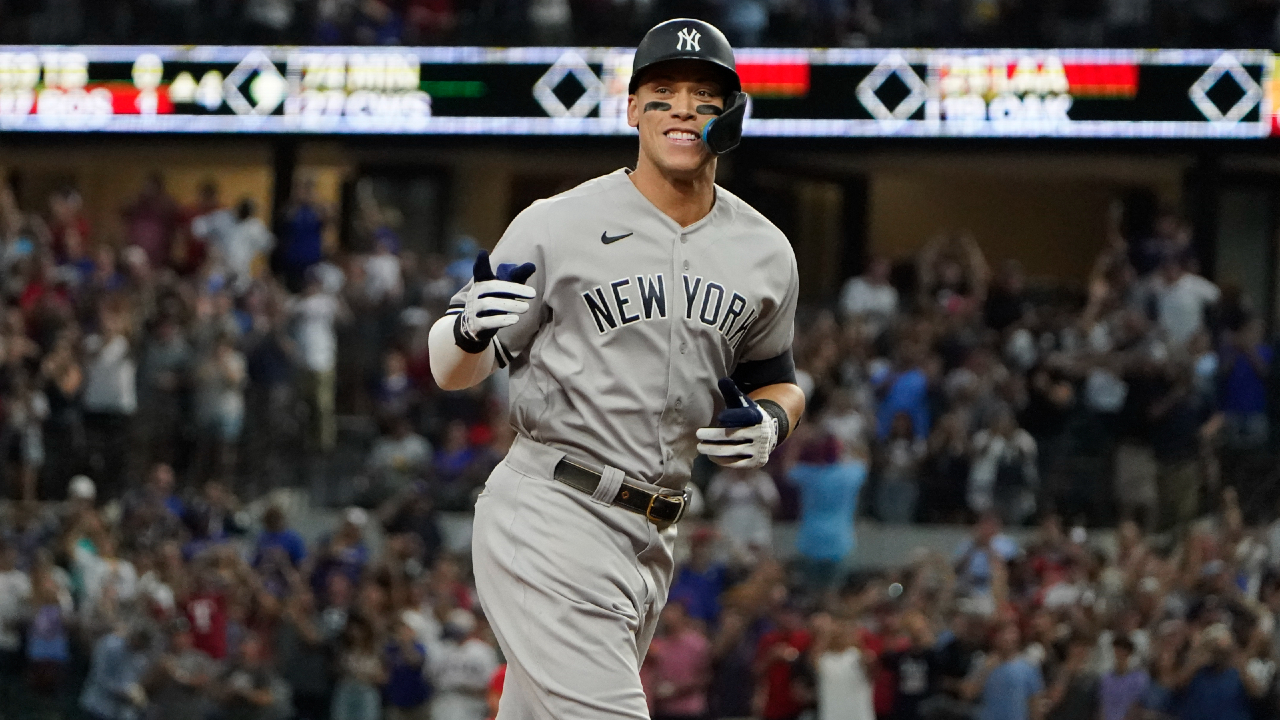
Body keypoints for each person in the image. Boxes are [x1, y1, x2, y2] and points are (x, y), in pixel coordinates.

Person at [427, 18, 803, 720]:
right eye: (663, 93)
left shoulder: (765, 250)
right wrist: (468, 328)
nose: (684, 108)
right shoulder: (558, 223)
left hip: (655, 534)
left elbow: (777, 376)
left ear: (733, 114)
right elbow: (452, 368)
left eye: (704, 95)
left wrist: (775, 419)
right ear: (633, 110)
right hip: (552, 510)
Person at [786, 433, 866, 596]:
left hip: (811, 540)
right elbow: (865, 460)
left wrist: (797, 443)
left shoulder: (809, 474)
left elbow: (788, 469)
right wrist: (851, 442)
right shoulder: (849, 475)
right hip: (839, 541)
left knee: (811, 594)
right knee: (832, 595)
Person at [963, 622, 1043, 720]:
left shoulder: (1028, 667)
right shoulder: (982, 661)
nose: (1007, 639)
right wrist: (986, 670)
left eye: (1011, 634)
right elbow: (968, 694)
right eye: (1003, 634)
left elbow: (1035, 702)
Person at [647, 601, 712, 720]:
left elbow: (705, 677)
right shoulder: (657, 645)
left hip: (689, 710)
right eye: (667, 612)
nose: (669, 616)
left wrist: (677, 689)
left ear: (684, 617)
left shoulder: (697, 644)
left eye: (673, 612)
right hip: (663, 709)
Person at [80, 625, 154, 720]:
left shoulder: (141, 659)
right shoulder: (110, 645)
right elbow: (99, 675)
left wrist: (137, 695)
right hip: (97, 706)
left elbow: (135, 683)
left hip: (121, 713)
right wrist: (121, 692)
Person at [811, 612, 875, 720]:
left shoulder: (858, 657)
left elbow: (870, 669)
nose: (839, 636)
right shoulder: (824, 659)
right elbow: (814, 657)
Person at [840, 257, 898, 339]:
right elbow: (848, 311)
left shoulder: (890, 292)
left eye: (885, 268)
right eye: (879, 266)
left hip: (882, 331)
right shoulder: (854, 285)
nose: (881, 271)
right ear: (871, 266)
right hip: (855, 325)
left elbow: (890, 316)